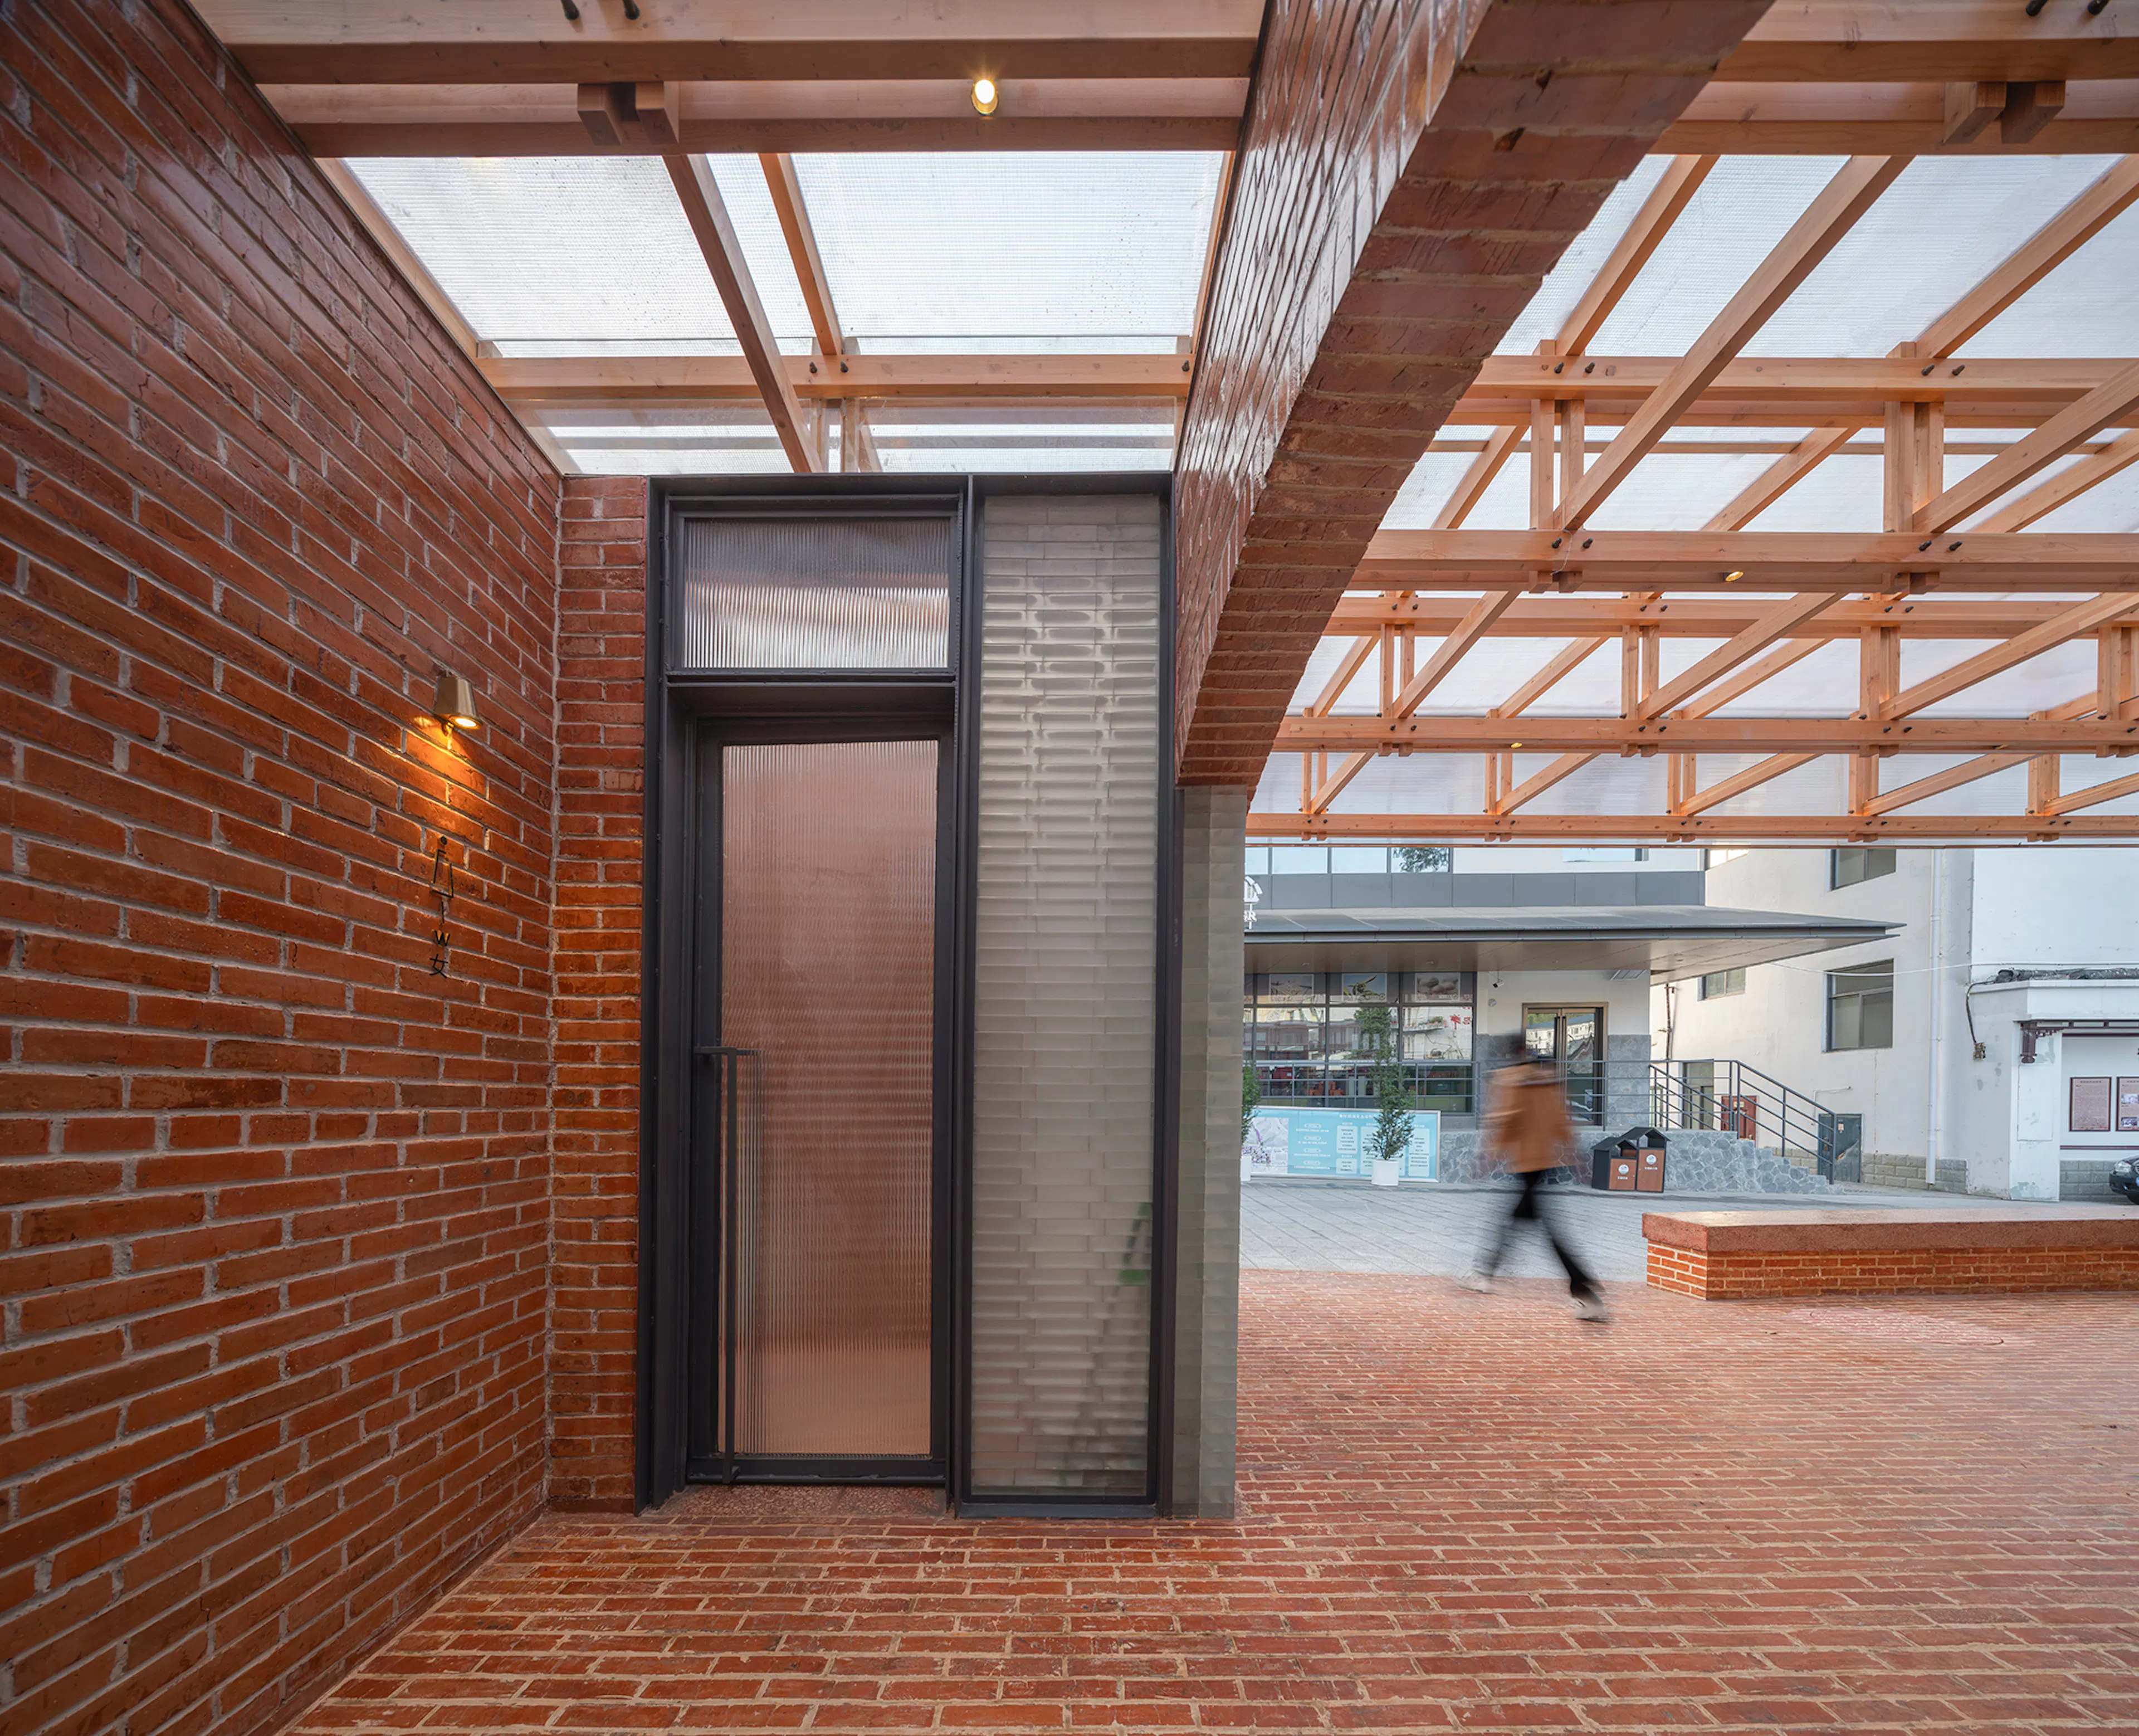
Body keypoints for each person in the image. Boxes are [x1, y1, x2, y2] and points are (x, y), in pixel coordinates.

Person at [1460, 1037, 1607, 1321]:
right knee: (1518, 1221)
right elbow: (1561, 1121)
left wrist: (1489, 1156)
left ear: (1512, 1053)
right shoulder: (1547, 1081)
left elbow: (1506, 1120)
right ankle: (1485, 1272)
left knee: (1544, 1229)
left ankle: (1583, 1289)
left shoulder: (1511, 1080)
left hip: (1526, 1161)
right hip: (1543, 1162)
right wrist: (1577, 1158)